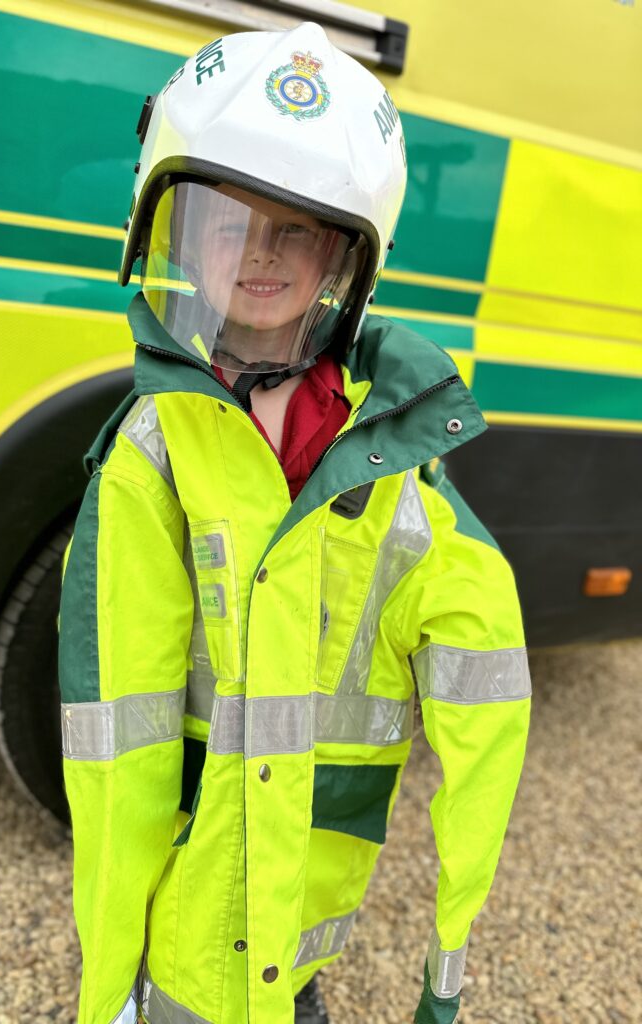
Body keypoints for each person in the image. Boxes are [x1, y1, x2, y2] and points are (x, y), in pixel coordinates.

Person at [58, 21, 531, 1024]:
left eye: (295, 232)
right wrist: (109, 993)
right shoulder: (155, 452)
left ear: (341, 263)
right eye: (229, 224)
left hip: (301, 922)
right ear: (180, 237)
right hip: (188, 934)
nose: (259, 255)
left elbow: (484, 674)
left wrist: (452, 944)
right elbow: (116, 745)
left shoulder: (393, 454)